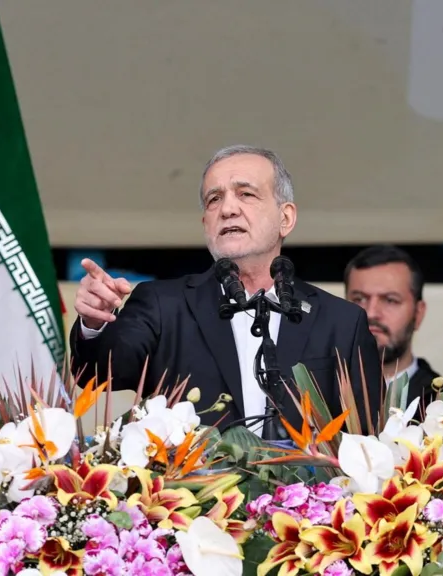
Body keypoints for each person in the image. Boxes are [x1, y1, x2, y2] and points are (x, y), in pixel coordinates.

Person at [70, 145, 383, 435]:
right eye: (214, 199)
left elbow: (368, 438)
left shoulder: (341, 322)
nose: (228, 209)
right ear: (205, 223)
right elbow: (97, 375)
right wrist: (95, 323)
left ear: (285, 218)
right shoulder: (163, 305)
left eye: (246, 194)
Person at [344, 245, 442, 418]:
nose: (371, 313)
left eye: (390, 300)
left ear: (418, 314)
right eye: (359, 299)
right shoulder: (313, 399)